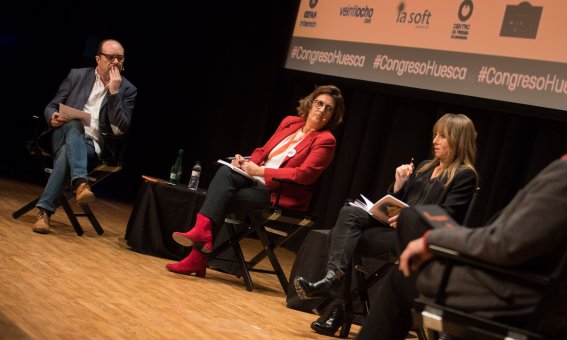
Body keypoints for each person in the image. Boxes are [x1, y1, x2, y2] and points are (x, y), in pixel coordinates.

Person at [356, 84, 567, 340]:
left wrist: (432, 242)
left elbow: (503, 245)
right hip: (562, 310)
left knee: (403, 276)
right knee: (417, 218)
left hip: (517, 300)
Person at [294, 114, 479, 336]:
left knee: (339, 236)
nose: (435, 141)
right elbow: (399, 201)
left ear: (458, 140)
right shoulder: (424, 167)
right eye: (435, 135)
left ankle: (340, 306)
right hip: (392, 226)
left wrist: (411, 217)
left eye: (443, 136)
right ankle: (334, 279)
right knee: (350, 212)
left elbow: (448, 215)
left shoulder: (464, 176)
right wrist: (399, 184)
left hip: (416, 239)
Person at [165, 85, 345, 278]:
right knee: (226, 172)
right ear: (310, 104)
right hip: (254, 178)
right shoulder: (290, 123)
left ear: (333, 116)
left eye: (329, 108)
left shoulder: (326, 141)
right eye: (319, 103)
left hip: (279, 194)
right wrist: (246, 162)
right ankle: (202, 236)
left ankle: (198, 251)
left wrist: (262, 170)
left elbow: (303, 175)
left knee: (221, 196)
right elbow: (263, 150)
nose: (322, 110)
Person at [33, 39, 137, 234]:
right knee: (74, 123)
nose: (115, 61)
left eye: (119, 58)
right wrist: (52, 117)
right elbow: (52, 106)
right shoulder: (77, 75)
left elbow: (119, 130)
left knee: (67, 154)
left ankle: (44, 211)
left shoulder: (128, 90)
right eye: (110, 57)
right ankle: (80, 182)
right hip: (62, 134)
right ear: (98, 58)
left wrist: (114, 93)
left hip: (93, 145)